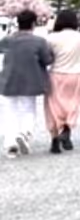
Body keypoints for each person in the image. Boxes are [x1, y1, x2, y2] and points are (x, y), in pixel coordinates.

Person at [0, 9, 54, 158]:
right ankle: (24, 134)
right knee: (28, 109)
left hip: (8, 79)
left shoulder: (7, 39)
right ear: (33, 23)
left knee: (10, 112)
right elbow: (48, 60)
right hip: (31, 79)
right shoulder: (39, 41)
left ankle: (10, 143)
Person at [45, 9, 80, 154]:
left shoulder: (52, 38)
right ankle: (67, 129)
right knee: (73, 105)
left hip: (56, 74)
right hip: (75, 74)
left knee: (53, 107)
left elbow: (47, 57)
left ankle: (54, 139)